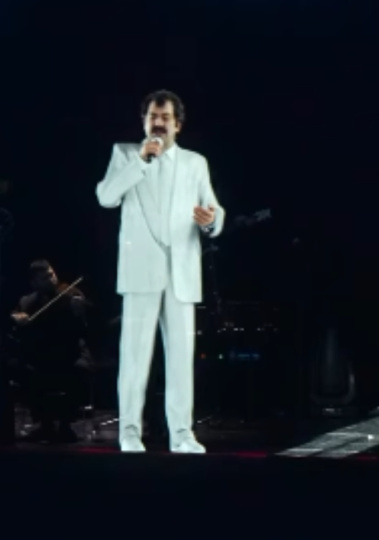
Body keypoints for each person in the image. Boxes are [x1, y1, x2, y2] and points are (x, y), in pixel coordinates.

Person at [95, 90, 225, 453]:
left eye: (165, 117)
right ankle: (129, 433)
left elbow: (215, 209)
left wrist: (211, 220)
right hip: (140, 271)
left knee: (181, 361)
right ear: (144, 121)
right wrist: (140, 160)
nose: (158, 123)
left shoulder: (195, 163)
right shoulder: (125, 154)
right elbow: (106, 197)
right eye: (153, 116)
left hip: (181, 270)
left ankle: (182, 434)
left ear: (177, 125)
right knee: (134, 358)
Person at [10, 260, 92, 442]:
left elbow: (86, 329)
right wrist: (17, 318)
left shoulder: (71, 296)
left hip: (70, 353)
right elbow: (16, 319)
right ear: (34, 283)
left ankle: (66, 424)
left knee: (80, 369)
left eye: (52, 275)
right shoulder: (27, 301)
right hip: (41, 356)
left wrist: (80, 311)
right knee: (24, 370)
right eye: (44, 278)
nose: (52, 280)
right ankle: (44, 423)